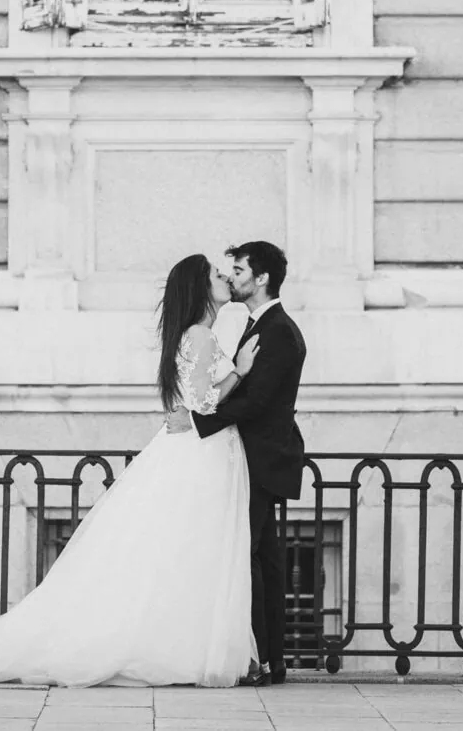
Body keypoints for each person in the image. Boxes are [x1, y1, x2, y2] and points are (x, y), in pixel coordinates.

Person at [0, 254, 259, 687]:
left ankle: (174, 642)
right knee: (189, 547)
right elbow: (205, 404)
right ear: (199, 287)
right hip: (200, 453)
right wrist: (240, 374)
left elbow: (191, 401)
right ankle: (179, 646)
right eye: (216, 274)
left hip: (190, 449)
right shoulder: (202, 335)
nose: (224, 277)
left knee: (175, 549)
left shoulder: (187, 335)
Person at [167, 241, 306, 687]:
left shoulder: (279, 330)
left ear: (261, 278)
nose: (232, 276)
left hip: (262, 457)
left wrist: (197, 421)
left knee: (252, 561)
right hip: (248, 456)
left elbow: (259, 401)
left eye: (239, 270)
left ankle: (262, 659)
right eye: (225, 272)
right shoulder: (254, 325)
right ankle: (267, 660)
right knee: (258, 560)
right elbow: (231, 389)